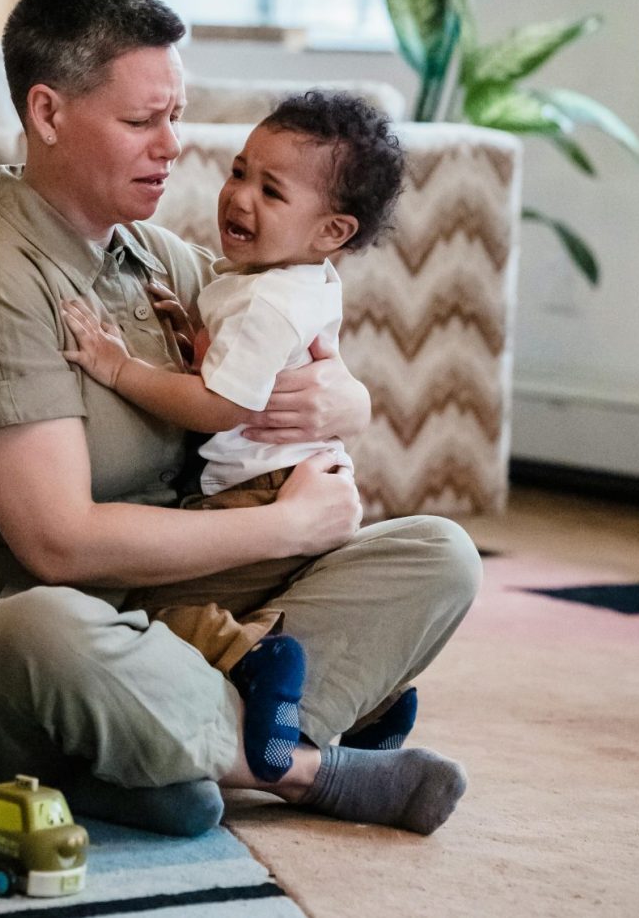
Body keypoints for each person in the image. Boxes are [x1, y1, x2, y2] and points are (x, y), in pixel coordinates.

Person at [0, 0, 482, 840]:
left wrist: (344, 400)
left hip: (161, 610)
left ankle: (154, 753)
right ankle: (301, 769)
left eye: (176, 114)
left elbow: (290, 340)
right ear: (48, 113)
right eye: (142, 121)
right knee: (51, 626)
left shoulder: (158, 258)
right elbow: (59, 546)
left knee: (438, 554)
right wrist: (284, 527)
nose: (173, 145)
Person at [60, 89, 405, 785]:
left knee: (153, 609)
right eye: (240, 172)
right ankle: (377, 704)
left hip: (257, 492)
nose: (240, 197)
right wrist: (192, 331)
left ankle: (253, 658)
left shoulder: (266, 302)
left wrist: (119, 368)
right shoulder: (290, 278)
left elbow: (218, 405)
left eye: (271, 191)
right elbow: (236, 359)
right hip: (297, 478)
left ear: (332, 230)